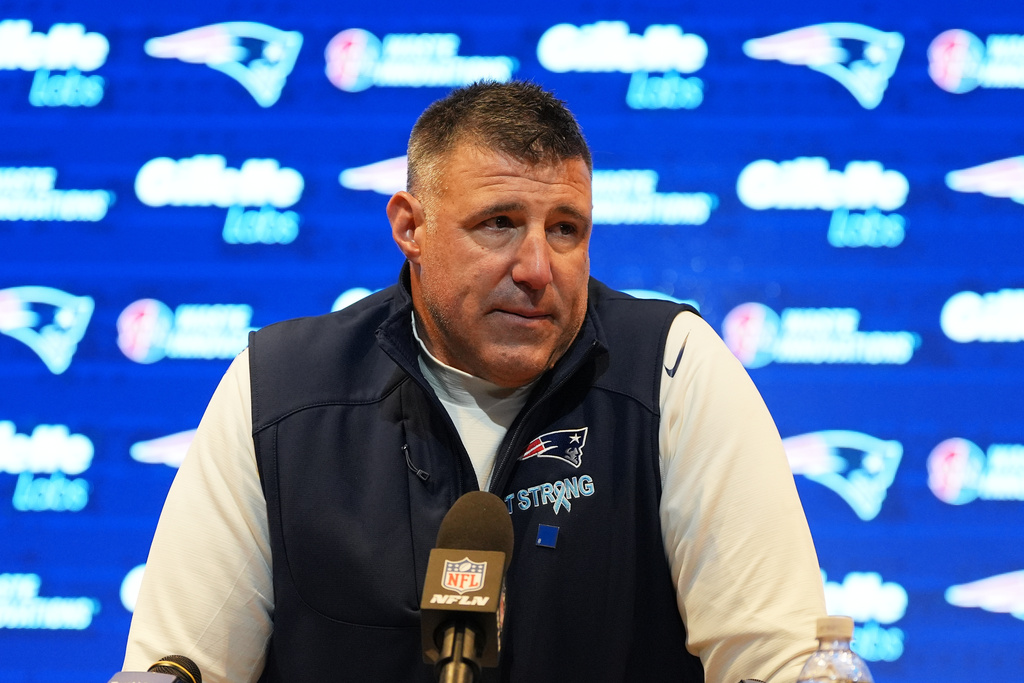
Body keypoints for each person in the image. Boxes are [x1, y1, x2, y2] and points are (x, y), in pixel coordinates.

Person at [124, 81, 826, 683]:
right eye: (499, 224)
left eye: (565, 229)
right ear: (411, 227)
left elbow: (776, 661)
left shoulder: (671, 369)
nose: (537, 268)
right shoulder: (281, 389)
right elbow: (181, 664)